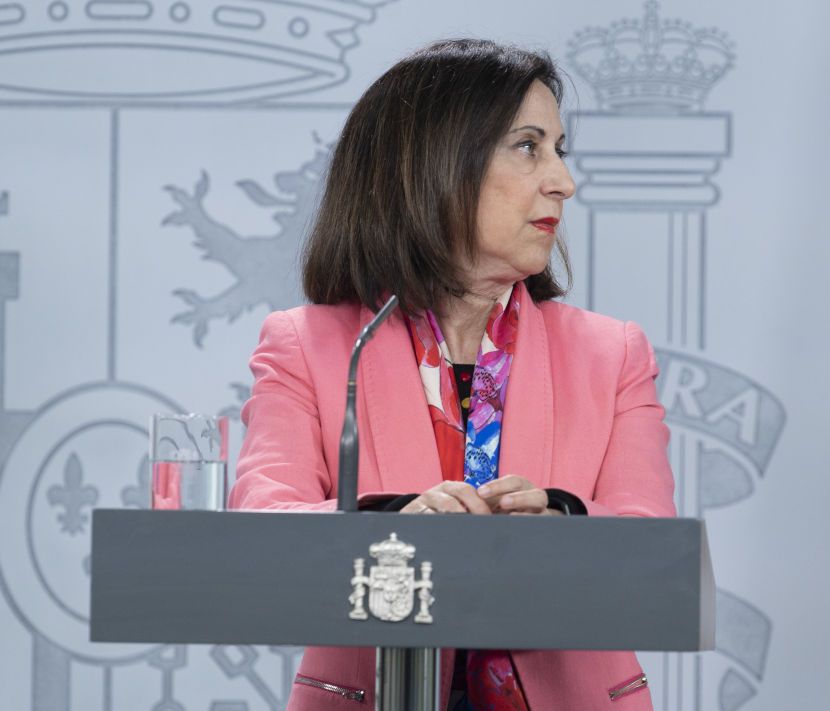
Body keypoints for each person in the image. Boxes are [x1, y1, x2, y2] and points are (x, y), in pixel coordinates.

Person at [229, 38, 675, 710]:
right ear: (435, 165)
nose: (562, 179)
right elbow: (260, 534)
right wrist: (393, 521)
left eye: (559, 149)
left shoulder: (613, 353)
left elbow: (655, 555)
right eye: (528, 146)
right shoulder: (308, 346)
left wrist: (561, 520)